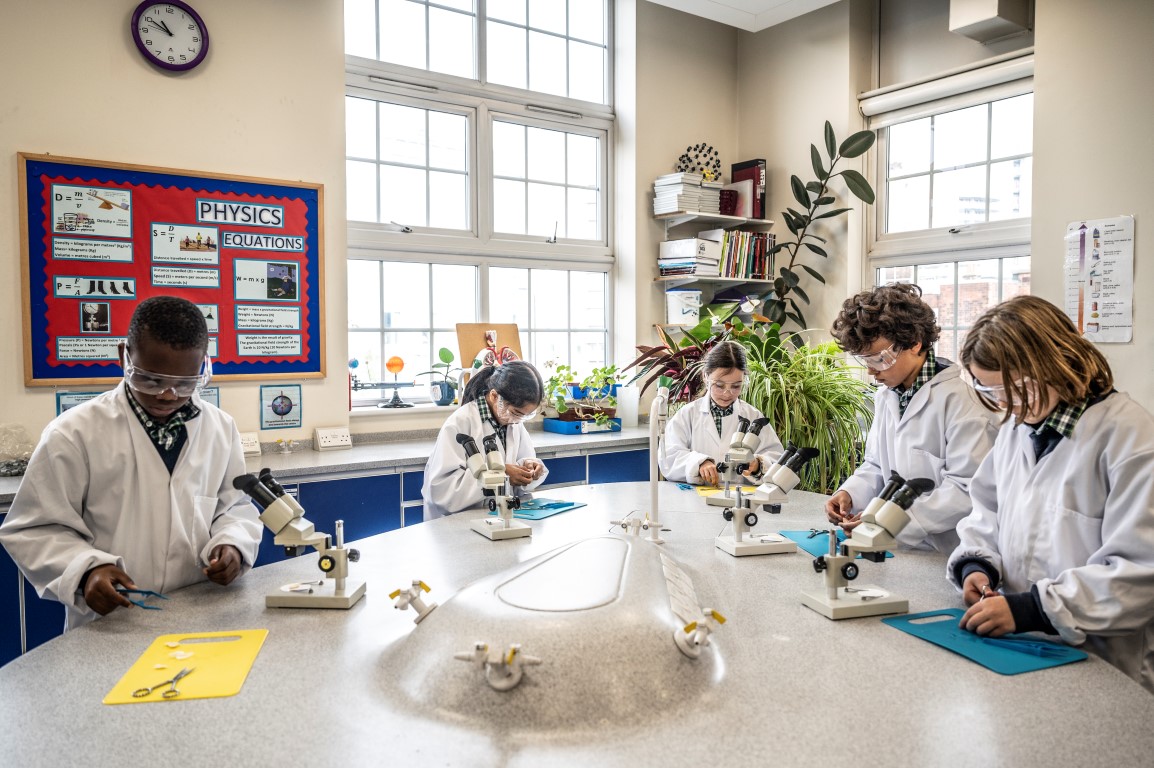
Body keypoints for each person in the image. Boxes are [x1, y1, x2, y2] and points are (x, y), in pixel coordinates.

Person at [0, 296, 262, 629]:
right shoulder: (74, 433)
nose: (167, 395)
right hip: (112, 621)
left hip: (198, 613)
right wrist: (86, 570)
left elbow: (234, 507)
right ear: (124, 355)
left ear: (203, 367)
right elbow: (34, 528)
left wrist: (233, 544)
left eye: (185, 383)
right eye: (150, 379)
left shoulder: (220, 428)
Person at [947, 295, 1154, 693]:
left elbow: (1139, 572)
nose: (1007, 405)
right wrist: (977, 566)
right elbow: (987, 511)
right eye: (993, 394)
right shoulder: (1017, 428)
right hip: (1023, 649)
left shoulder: (1130, 437)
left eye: (1016, 388)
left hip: (1105, 661)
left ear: (1057, 359)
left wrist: (1035, 609)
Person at [825, 284, 998, 552]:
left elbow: (966, 490)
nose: (872, 371)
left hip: (945, 552)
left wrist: (894, 522)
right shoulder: (889, 396)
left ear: (915, 343)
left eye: (879, 359)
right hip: (895, 548)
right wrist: (849, 493)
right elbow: (875, 464)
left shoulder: (964, 404)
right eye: (864, 361)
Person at [422, 360, 549, 519]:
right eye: (516, 413)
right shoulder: (460, 423)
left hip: (499, 517)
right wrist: (502, 472)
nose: (518, 420)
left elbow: (520, 463)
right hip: (459, 524)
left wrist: (529, 468)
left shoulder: (513, 422)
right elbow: (442, 491)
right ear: (495, 396)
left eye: (525, 415)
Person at [659, 340, 784, 486]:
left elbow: (776, 458)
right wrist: (698, 462)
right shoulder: (687, 415)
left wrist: (757, 465)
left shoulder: (753, 416)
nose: (727, 393)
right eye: (719, 385)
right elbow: (668, 458)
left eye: (736, 386)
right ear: (706, 377)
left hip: (741, 501)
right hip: (696, 501)